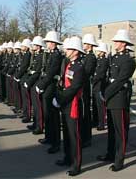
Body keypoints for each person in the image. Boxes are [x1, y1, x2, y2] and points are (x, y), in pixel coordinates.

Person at [98, 29, 136, 171]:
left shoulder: (128, 60)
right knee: (112, 130)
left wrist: (105, 93)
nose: (114, 42)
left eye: (117, 41)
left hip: (119, 98)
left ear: (124, 44)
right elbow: (108, 77)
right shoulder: (114, 58)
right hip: (112, 98)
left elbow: (120, 81)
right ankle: (110, 154)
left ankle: (119, 160)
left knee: (120, 131)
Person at [53, 36, 85, 176]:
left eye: (69, 49)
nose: (66, 50)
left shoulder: (79, 67)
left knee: (74, 136)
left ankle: (76, 164)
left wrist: (60, 99)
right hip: (66, 103)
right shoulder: (69, 64)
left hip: (73, 104)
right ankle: (67, 158)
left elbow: (73, 88)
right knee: (66, 133)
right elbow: (63, 83)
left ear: (76, 51)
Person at [35, 31, 63, 154]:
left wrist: (41, 85)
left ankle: (55, 142)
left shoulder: (56, 55)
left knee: (53, 116)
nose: (47, 44)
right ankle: (49, 137)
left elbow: (51, 73)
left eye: (49, 42)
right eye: (47, 42)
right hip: (47, 85)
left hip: (51, 86)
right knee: (47, 115)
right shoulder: (50, 54)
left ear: (54, 43)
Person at [81, 33, 98, 148]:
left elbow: (86, 72)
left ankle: (87, 138)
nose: (84, 45)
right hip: (82, 86)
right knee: (82, 113)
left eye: (86, 43)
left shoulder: (91, 57)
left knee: (86, 113)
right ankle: (83, 136)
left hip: (85, 87)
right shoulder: (85, 56)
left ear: (90, 45)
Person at [92, 42, 109, 130]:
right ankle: (96, 121)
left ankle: (102, 123)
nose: (97, 51)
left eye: (99, 50)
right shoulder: (98, 60)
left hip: (100, 85)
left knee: (100, 106)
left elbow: (100, 74)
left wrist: (93, 79)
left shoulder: (104, 61)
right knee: (95, 105)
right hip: (95, 86)